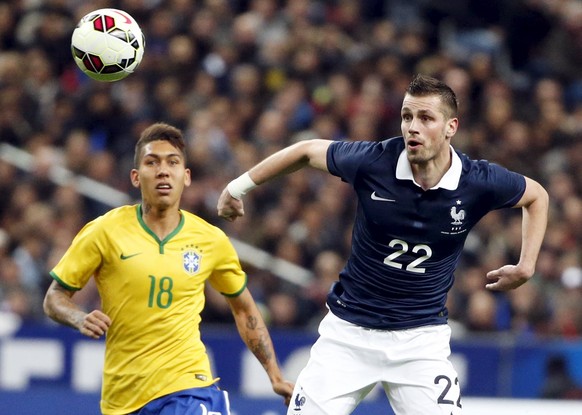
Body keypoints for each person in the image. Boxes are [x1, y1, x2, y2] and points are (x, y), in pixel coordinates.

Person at [217, 74, 549, 414]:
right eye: (406, 116)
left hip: (420, 342)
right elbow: (304, 151)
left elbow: (536, 195)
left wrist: (526, 265)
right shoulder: (374, 161)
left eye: (425, 118)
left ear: (451, 127)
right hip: (348, 335)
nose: (412, 127)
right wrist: (237, 187)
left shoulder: (477, 180)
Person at [43, 122, 293, 415]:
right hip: (122, 397)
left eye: (172, 163)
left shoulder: (210, 240)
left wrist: (274, 374)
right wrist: (78, 318)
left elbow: (245, 309)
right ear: (136, 177)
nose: (163, 170)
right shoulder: (104, 231)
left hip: (188, 387)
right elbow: (54, 298)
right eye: (152, 163)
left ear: (186, 177)